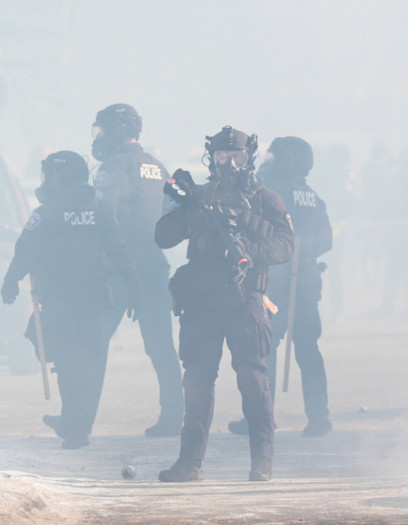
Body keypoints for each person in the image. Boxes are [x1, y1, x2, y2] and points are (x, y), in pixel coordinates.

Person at [156, 126, 294, 482]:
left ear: (248, 159)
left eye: (237, 157)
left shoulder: (264, 199)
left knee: (253, 379)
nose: (230, 164)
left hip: (245, 300)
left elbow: (287, 245)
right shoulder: (198, 196)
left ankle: (262, 463)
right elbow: (163, 237)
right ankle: (190, 463)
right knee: (198, 381)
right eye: (222, 156)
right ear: (211, 158)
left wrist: (252, 250)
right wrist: (186, 209)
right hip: (201, 303)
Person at [1, 151, 139, 449]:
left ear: (60, 177)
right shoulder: (100, 211)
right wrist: (134, 291)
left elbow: (24, 251)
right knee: (81, 359)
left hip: (60, 300)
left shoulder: (46, 213)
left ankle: (76, 428)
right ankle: (72, 419)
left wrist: (10, 282)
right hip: (93, 300)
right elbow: (121, 253)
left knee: (67, 361)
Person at [227, 136, 334, 438]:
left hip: (274, 283)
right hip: (307, 283)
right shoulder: (313, 196)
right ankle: (319, 416)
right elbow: (326, 240)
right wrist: (305, 252)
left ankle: (260, 417)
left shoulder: (269, 193)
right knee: (309, 348)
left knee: (264, 347)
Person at [91, 103, 184, 437]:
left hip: (119, 267)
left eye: (101, 129)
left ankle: (79, 424)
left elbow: (103, 217)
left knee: (95, 342)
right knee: (160, 345)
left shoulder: (114, 167)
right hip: (153, 266)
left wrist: (115, 267)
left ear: (115, 131)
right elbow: (174, 213)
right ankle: (174, 418)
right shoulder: (157, 167)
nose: (98, 137)